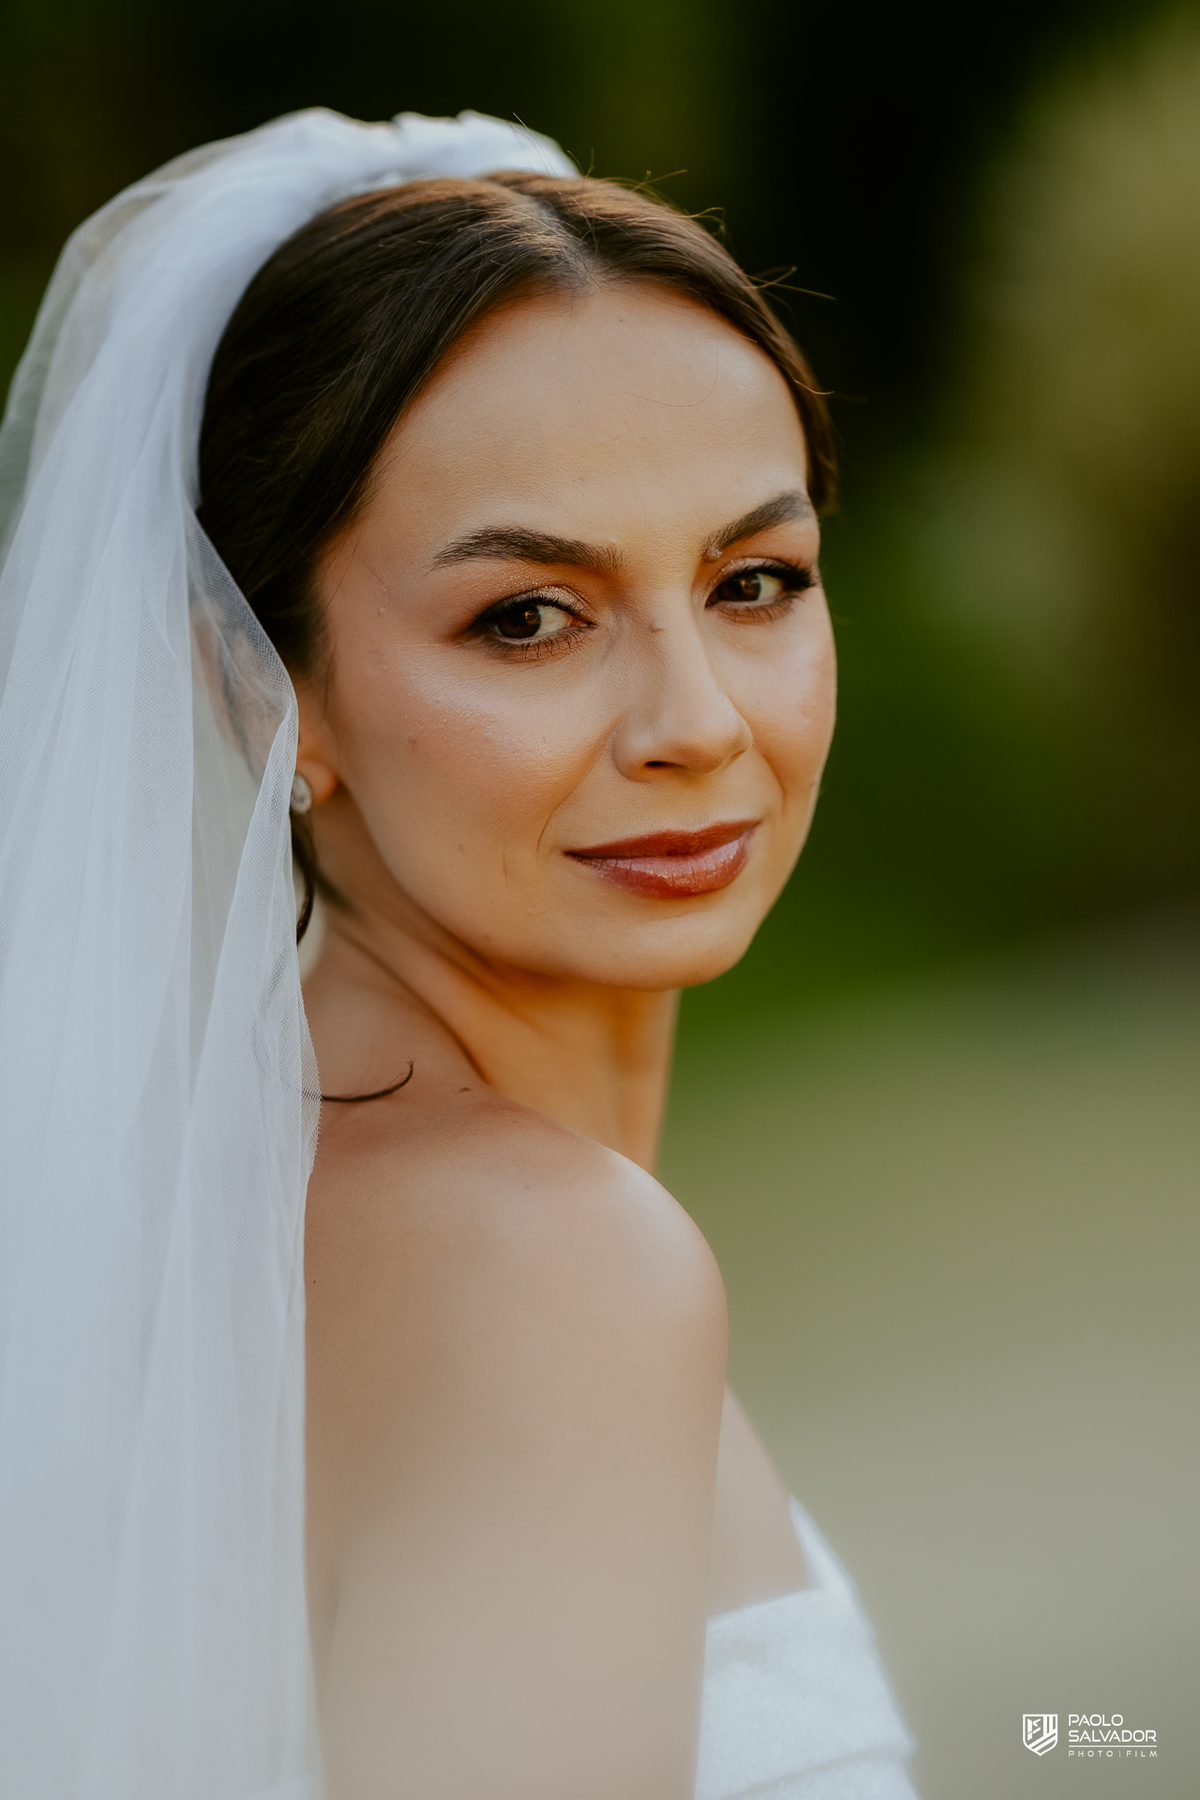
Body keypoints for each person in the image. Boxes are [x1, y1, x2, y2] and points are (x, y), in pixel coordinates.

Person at [0, 110, 916, 1799]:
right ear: (258, 687)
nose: (696, 724)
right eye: (526, 617)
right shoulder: (547, 1278)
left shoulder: (198, 1232)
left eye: (755, 581)